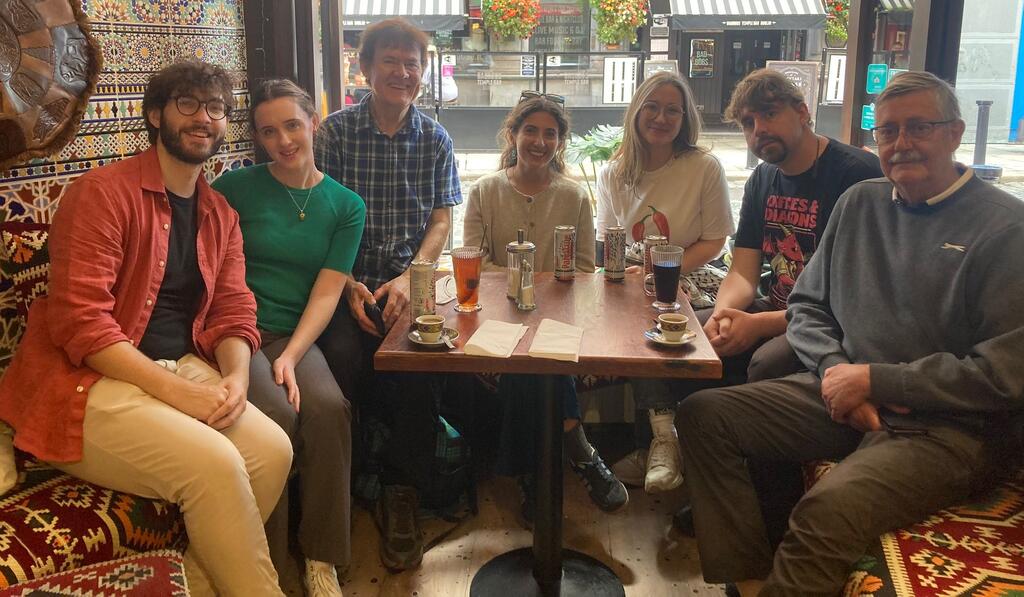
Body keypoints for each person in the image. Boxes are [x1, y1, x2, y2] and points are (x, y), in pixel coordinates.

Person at [677, 71, 1024, 596]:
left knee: (824, 509)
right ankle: (746, 581)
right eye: (887, 132)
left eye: (919, 128)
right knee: (704, 415)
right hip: (843, 388)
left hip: (948, 427)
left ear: (955, 133)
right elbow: (809, 306)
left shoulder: (1005, 228)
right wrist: (838, 372)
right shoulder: (861, 202)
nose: (901, 144)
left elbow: (1002, 375)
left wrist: (875, 382)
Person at [0, 61, 293, 596]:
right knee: (216, 464)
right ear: (155, 115)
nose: (204, 118)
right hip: (84, 382)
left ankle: (198, 586)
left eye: (216, 108)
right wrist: (181, 394)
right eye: (187, 104)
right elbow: (81, 325)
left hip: (173, 370)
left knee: (273, 449)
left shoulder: (219, 212)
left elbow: (233, 308)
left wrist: (235, 381)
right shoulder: (102, 193)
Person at [667, 69, 885, 535]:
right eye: (747, 122)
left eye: (769, 115)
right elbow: (743, 270)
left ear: (803, 113)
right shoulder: (764, 179)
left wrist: (757, 325)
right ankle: (718, 490)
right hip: (777, 302)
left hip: (834, 322)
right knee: (681, 335)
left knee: (765, 360)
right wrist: (727, 312)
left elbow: (849, 293)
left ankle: (773, 513)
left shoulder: (855, 174)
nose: (757, 131)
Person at [313, 17, 462, 571]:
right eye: (391, 62)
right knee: (344, 358)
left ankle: (403, 490)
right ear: (366, 68)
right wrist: (347, 281)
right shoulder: (335, 134)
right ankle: (346, 477)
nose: (402, 73)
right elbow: (317, 217)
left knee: (419, 362)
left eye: (412, 64)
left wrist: (409, 279)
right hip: (343, 280)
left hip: (407, 282)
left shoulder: (435, 137)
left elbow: (442, 220)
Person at [212, 79, 365, 597]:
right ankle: (268, 565)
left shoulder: (346, 205)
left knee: (327, 407)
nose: (283, 140)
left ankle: (321, 555)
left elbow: (326, 292)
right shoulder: (234, 188)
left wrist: (293, 356)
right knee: (274, 416)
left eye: (292, 125)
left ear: (314, 123)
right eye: (268, 131)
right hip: (236, 329)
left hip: (293, 333)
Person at [463, 92, 627, 520]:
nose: (539, 141)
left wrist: (544, 293)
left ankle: (530, 477)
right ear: (513, 135)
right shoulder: (484, 191)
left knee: (537, 356)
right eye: (530, 130)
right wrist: (534, 283)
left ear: (560, 142)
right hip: (498, 317)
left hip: (559, 316)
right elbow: (474, 263)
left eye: (550, 134)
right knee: (530, 356)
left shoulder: (574, 196)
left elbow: (587, 271)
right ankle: (579, 448)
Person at [597, 72, 734, 493]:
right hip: (633, 277)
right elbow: (607, 243)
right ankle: (660, 441)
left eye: (672, 109)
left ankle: (657, 444)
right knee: (628, 313)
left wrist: (662, 273)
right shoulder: (614, 172)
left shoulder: (703, 166)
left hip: (691, 272)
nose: (661, 117)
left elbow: (715, 240)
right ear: (637, 112)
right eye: (652, 107)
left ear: (685, 117)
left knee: (655, 316)